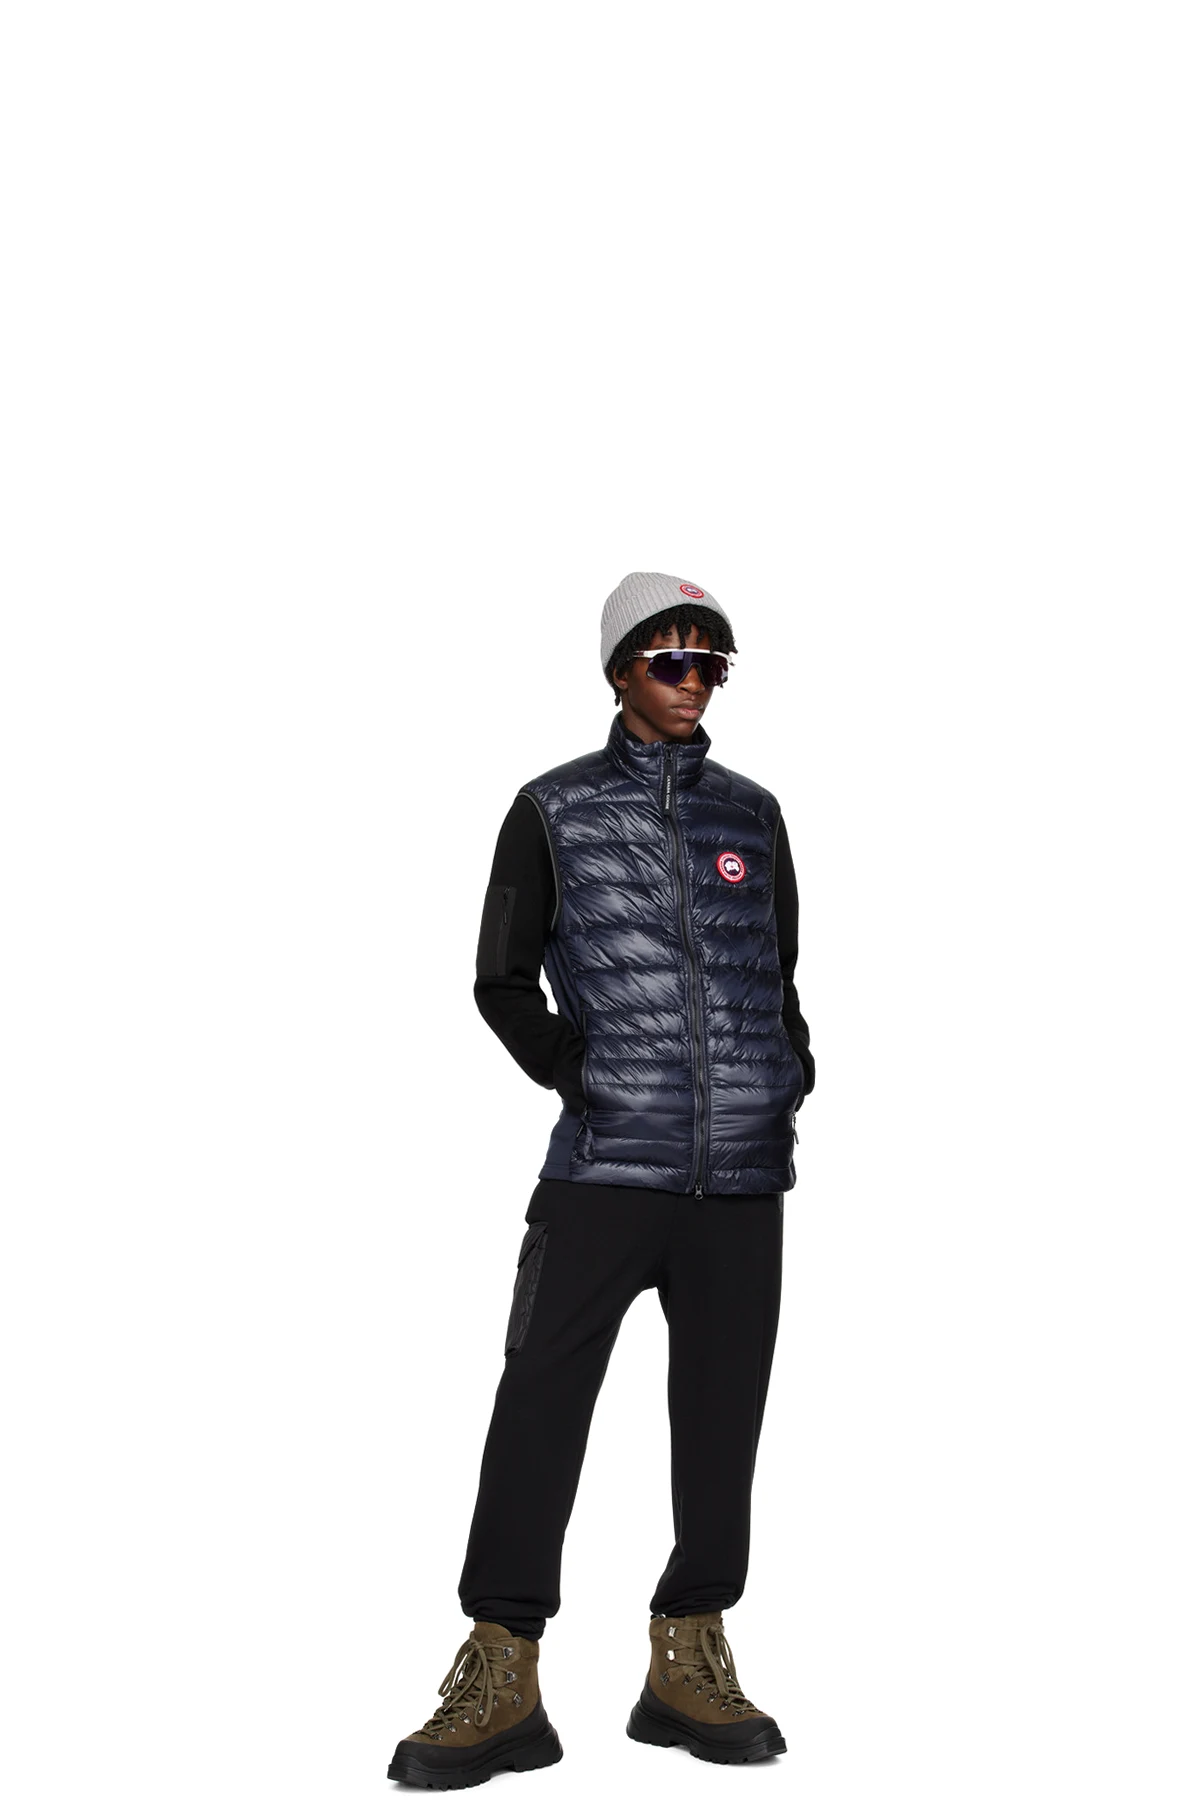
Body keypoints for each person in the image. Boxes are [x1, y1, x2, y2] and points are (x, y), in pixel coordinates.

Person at [387, 571, 815, 1787]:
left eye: (710, 663)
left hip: (742, 1179)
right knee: (540, 1401)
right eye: (670, 659)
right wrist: (580, 1071)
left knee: (722, 1420)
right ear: (621, 670)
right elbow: (499, 979)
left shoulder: (753, 815)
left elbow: (779, 971)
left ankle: (688, 1654)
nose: (693, 681)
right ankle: (501, 1665)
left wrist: (786, 1072)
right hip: (604, 1168)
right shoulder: (553, 808)